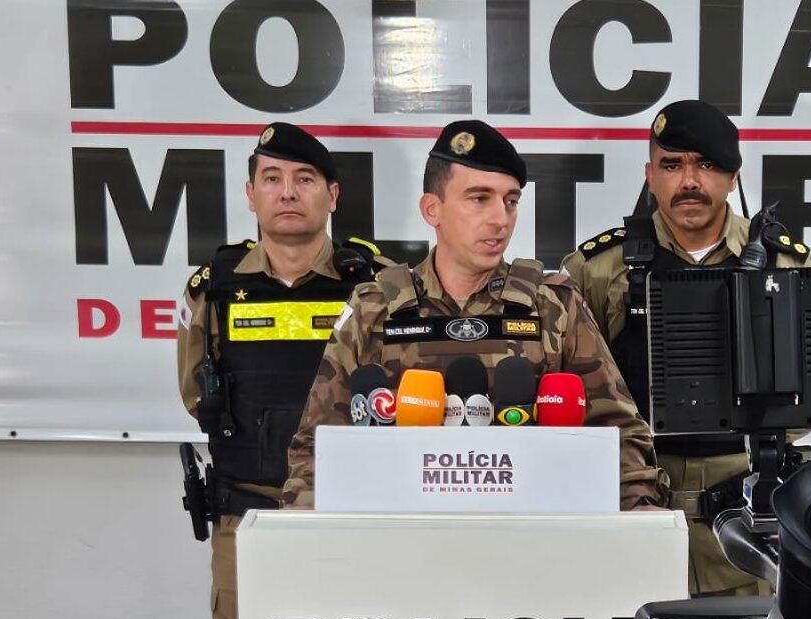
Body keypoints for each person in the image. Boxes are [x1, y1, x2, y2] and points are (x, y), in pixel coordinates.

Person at [282, 120, 667, 511]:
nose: (501, 219)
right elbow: (316, 449)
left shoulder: (554, 305)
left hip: (531, 533)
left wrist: (641, 517)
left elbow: (620, 435)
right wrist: (301, 530)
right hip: (402, 535)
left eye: (510, 201)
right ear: (432, 209)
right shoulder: (374, 309)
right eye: (479, 199)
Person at [561, 99, 811, 596]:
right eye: (672, 165)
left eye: (707, 165)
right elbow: (569, 394)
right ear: (649, 175)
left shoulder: (786, 267)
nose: (689, 181)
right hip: (633, 509)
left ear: (734, 176)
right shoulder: (598, 268)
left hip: (749, 522)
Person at [177, 122, 383, 619]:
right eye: (271, 178)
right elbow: (197, 395)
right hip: (248, 518)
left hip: (353, 518)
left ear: (332, 195)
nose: (287, 192)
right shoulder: (214, 289)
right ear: (251, 195)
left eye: (304, 179)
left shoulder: (376, 285)